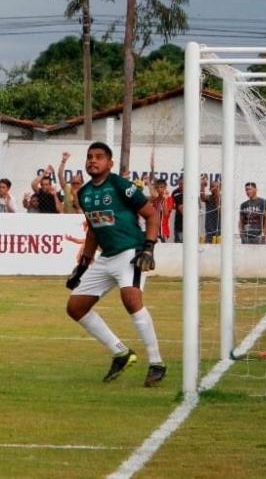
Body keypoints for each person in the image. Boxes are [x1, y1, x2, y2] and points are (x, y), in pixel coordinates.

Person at [66, 142, 165, 387]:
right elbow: (93, 232)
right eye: (89, 157)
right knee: (75, 307)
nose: (93, 161)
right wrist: (82, 266)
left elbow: (152, 214)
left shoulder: (121, 186)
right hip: (106, 257)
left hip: (130, 252)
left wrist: (149, 248)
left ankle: (157, 363)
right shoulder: (84, 193)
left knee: (131, 300)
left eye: (99, 157)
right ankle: (120, 352)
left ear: (109, 163)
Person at [201, 177, 221, 243]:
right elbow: (202, 197)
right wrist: (202, 185)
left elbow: (218, 207)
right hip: (209, 230)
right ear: (210, 189)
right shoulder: (209, 197)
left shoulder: (222, 198)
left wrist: (217, 192)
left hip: (220, 230)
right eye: (212, 186)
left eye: (216, 187)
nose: (214, 188)